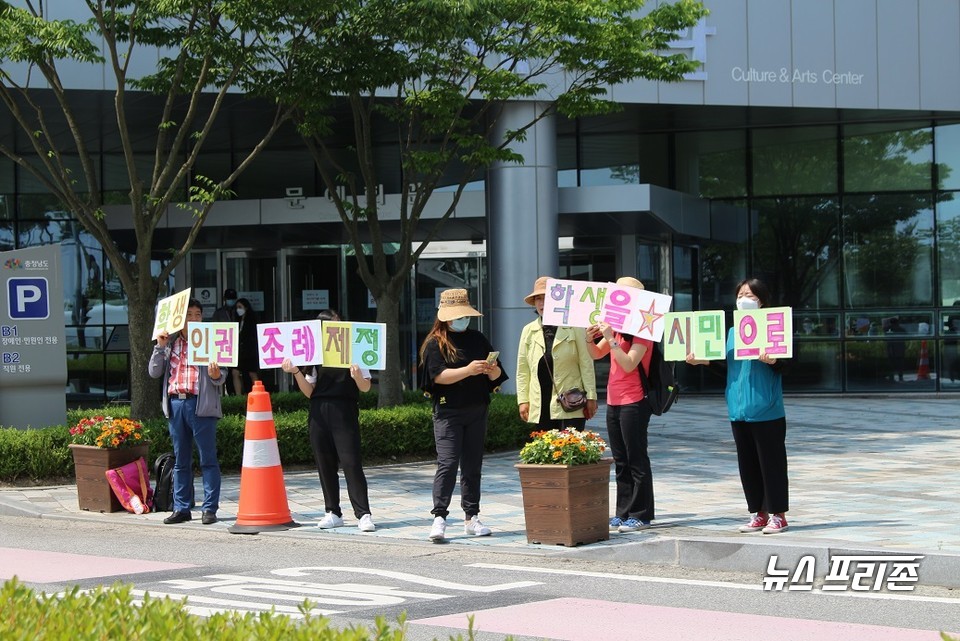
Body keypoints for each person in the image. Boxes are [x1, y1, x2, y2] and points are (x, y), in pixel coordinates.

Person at [686, 277, 791, 534]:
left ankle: (779, 514)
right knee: (748, 464)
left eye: (751, 296)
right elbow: (730, 369)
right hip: (738, 409)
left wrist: (773, 361)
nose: (744, 300)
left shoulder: (774, 327)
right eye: (741, 295)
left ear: (762, 301)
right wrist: (704, 362)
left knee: (772, 464)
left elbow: (786, 365)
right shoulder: (733, 332)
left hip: (766, 409)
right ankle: (759, 513)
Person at [419, 288, 507, 542]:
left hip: (477, 407)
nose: (462, 320)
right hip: (448, 411)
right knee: (447, 463)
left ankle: (472, 516)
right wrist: (468, 370)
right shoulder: (435, 343)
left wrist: (490, 369)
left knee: (472, 465)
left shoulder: (478, 338)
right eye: (457, 316)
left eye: (465, 315)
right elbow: (438, 376)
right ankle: (439, 517)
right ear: (445, 316)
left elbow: (497, 375)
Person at [280, 310, 376, 532]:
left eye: (338, 323)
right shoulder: (315, 354)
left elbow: (366, 386)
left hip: (345, 410)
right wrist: (295, 372)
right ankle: (332, 511)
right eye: (331, 325)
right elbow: (310, 391)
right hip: (319, 413)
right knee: (325, 464)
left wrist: (357, 376)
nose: (336, 328)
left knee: (351, 463)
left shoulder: (356, 347)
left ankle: (363, 513)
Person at [586, 276, 655, 534]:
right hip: (614, 401)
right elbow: (595, 354)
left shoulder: (642, 331)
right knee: (621, 459)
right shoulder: (614, 329)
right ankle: (623, 512)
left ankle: (642, 514)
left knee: (637, 457)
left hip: (635, 401)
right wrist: (588, 338)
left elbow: (628, 363)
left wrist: (610, 339)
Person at [148, 298, 224, 525]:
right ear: (179, 319)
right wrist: (159, 346)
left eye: (197, 315)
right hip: (176, 404)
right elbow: (154, 372)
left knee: (208, 459)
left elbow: (223, 376)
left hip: (201, 405)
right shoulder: (169, 344)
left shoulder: (210, 341)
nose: (193, 319)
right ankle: (181, 508)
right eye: (188, 315)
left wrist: (215, 375)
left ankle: (209, 508)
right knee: (181, 460)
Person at [516, 276, 597, 429]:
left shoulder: (575, 326)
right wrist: (523, 400)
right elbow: (522, 370)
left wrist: (591, 397)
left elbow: (586, 363)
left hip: (571, 401)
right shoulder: (528, 330)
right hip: (540, 402)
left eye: (546, 298)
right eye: (538, 299)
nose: (541, 303)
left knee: (571, 450)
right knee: (545, 450)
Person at [232, 297, 261, 395]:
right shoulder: (238, 320)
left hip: (250, 352)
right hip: (240, 352)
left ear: (246, 307)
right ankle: (238, 395)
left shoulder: (252, 320)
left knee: (252, 373)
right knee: (235, 372)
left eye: (240, 307)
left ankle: (258, 393)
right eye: (237, 307)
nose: (238, 310)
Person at [212, 288, 237, 394]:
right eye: (229, 299)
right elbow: (213, 328)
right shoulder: (219, 313)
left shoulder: (239, 311)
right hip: (224, 345)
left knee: (236, 372)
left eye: (233, 299)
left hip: (237, 345)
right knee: (226, 372)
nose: (231, 301)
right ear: (224, 299)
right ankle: (227, 393)